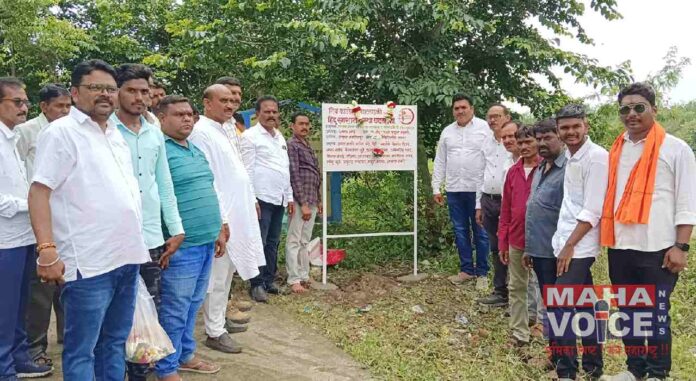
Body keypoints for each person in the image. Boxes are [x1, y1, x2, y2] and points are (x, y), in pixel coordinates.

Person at [28, 59, 150, 380]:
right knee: (83, 349)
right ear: (75, 92)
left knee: (113, 343)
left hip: (126, 258)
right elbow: (39, 192)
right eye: (95, 88)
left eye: (110, 89)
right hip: (88, 264)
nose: (105, 95)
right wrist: (47, 249)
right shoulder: (61, 133)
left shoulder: (113, 133)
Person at [601, 83, 696, 381]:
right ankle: (634, 369)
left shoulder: (675, 148)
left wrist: (681, 246)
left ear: (654, 109)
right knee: (628, 311)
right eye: (625, 109)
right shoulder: (616, 150)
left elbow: (686, 200)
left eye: (639, 107)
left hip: (658, 247)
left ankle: (657, 373)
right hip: (621, 246)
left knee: (656, 315)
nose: (631, 114)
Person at [112, 63, 186, 381]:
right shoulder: (105, 132)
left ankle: (139, 373)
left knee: (148, 309)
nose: (140, 97)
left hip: (152, 237)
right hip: (113, 238)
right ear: (116, 92)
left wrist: (177, 228)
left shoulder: (155, 133)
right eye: (132, 90)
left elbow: (163, 184)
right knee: (114, 314)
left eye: (145, 91)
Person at [527, 105, 607, 380]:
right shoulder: (573, 158)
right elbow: (569, 208)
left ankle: (566, 372)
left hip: (579, 246)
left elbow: (592, 210)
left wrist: (569, 245)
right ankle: (594, 367)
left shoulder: (596, 158)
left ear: (586, 125)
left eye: (576, 126)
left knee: (560, 305)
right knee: (585, 303)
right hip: (564, 242)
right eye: (565, 127)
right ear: (560, 131)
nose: (571, 132)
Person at [155, 95, 227, 380]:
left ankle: (185, 354)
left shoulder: (194, 150)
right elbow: (159, 196)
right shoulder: (160, 150)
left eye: (190, 114)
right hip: (181, 246)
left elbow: (209, 189)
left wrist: (218, 228)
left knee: (193, 304)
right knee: (174, 308)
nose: (187, 119)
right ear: (161, 118)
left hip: (206, 241)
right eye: (179, 114)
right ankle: (165, 367)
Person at [190, 84, 265, 353]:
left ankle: (218, 321)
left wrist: (251, 199)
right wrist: (220, 218)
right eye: (223, 100)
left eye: (232, 101)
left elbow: (239, 170)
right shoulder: (200, 133)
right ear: (206, 103)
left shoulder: (228, 128)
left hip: (239, 212)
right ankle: (213, 331)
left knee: (227, 274)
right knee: (217, 277)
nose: (229, 105)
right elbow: (208, 179)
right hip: (222, 216)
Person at [0, 77, 54, 380]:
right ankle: (3, 368)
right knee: (4, 311)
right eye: (16, 102)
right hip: (3, 241)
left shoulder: (11, 137)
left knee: (21, 305)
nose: (25, 107)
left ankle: (19, 357)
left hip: (23, 236)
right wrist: (32, 204)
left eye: (25, 101)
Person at [16, 83, 71, 367]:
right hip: (38, 217)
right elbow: (22, 173)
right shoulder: (27, 132)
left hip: (67, 215)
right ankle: (35, 347)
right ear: (44, 107)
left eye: (67, 106)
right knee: (41, 290)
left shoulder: (73, 131)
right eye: (59, 106)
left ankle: (66, 336)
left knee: (68, 281)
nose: (64, 111)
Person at [432, 93, 491, 286]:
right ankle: (467, 270)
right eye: (456, 108)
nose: (460, 111)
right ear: (453, 111)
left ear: (472, 109)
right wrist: (436, 187)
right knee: (460, 231)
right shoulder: (447, 132)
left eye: (463, 107)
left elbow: (492, 157)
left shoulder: (484, 129)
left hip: (478, 189)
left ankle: (482, 272)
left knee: (481, 231)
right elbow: (440, 160)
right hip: (454, 189)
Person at [241, 95, 295, 300]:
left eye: (274, 111)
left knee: (273, 241)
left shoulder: (279, 137)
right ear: (257, 114)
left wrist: (289, 196)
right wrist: (251, 199)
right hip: (261, 198)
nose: (271, 115)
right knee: (259, 241)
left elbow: (284, 168)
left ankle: (269, 280)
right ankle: (256, 284)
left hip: (279, 197)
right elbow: (246, 171)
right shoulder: (250, 136)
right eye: (267, 111)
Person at [498, 125, 539, 347]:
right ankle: (519, 333)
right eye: (520, 142)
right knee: (516, 286)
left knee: (544, 285)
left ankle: (544, 328)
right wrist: (503, 240)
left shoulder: (547, 168)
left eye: (528, 142)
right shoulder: (513, 172)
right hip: (516, 238)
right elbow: (506, 209)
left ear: (537, 142)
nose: (523, 146)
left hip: (543, 239)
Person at [475, 104, 512, 301]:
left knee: (514, 246)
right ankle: (500, 291)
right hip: (488, 200)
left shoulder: (515, 141)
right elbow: (480, 173)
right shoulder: (486, 143)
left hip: (510, 203)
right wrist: (478, 205)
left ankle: (518, 293)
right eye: (489, 117)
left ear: (507, 117)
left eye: (497, 116)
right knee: (495, 246)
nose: (492, 120)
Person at [285, 112, 322, 293]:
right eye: (300, 124)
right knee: (294, 240)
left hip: (312, 199)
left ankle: (304, 275)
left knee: (305, 241)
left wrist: (319, 200)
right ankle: (294, 280)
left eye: (307, 124)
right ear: (292, 126)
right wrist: (304, 203)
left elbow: (315, 175)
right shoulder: (292, 145)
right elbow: (295, 175)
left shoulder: (307, 146)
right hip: (301, 201)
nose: (305, 127)